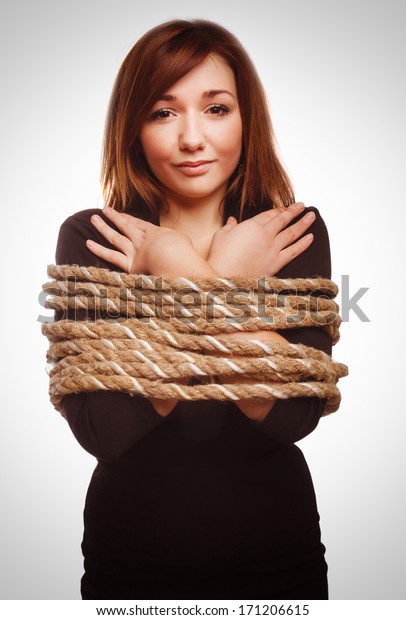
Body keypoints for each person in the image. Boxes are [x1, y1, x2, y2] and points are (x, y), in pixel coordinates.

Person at [54, 19, 333, 600]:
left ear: (245, 118)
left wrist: (183, 273)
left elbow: (289, 417)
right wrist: (205, 271)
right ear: (132, 128)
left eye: (216, 109)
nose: (191, 138)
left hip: (279, 558)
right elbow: (105, 429)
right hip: (130, 562)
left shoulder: (290, 235)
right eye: (162, 112)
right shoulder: (94, 240)